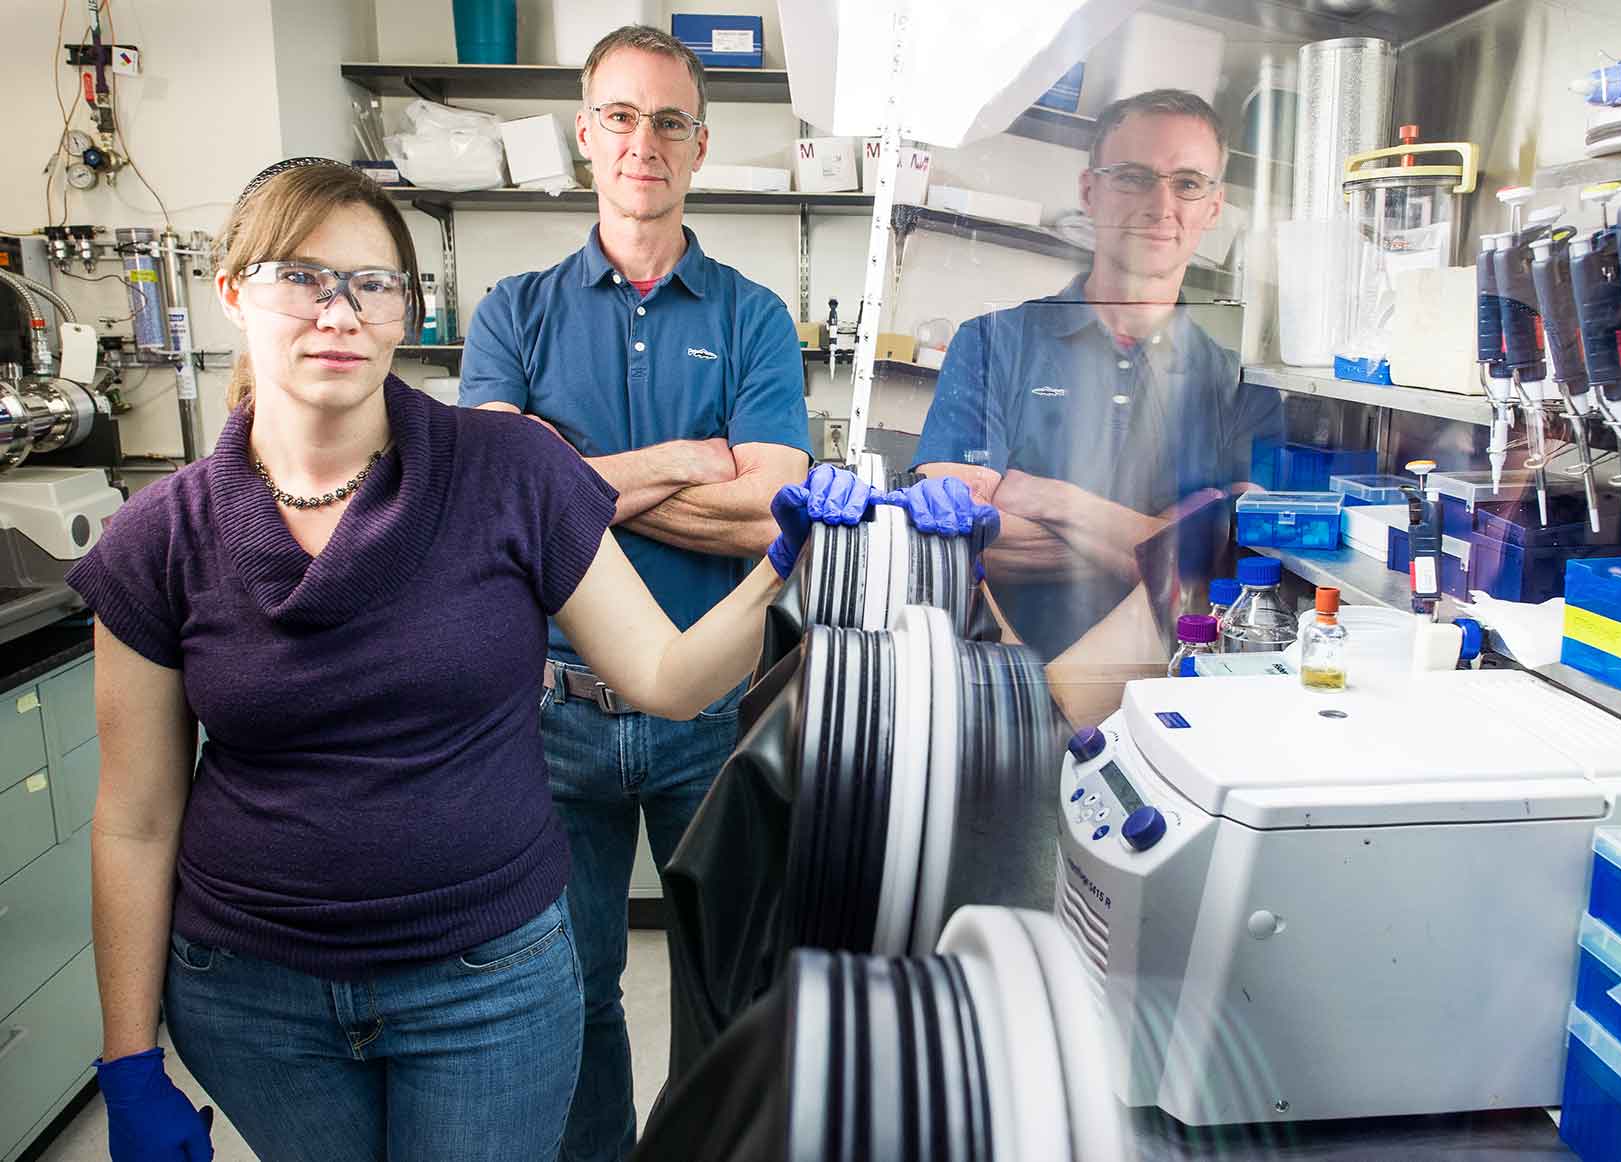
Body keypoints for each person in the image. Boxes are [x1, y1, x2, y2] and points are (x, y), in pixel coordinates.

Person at [69, 156, 994, 1162]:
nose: (338, 313)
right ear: (232, 290)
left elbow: (670, 678)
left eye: (372, 284)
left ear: (405, 311)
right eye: (302, 276)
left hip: (485, 987)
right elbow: (135, 817)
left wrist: (788, 560)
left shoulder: (505, 473)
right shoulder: (159, 537)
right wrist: (128, 1053)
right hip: (252, 994)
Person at [457, 27, 813, 1161]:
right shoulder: (514, 311)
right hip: (551, 709)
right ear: (584, 134)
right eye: (620, 115)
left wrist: (566, 473)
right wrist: (686, 458)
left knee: (734, 984)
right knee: (574, 991)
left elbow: (771, 510)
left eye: (668, 120)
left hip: (711, 706)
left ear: (700, 146)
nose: (642, 141)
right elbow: (490, 501)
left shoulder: (751, 313)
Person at [912, 89, 1284, 664]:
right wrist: (1157, 539)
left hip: (1166, 696)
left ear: (1214, 207)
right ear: (1090, 191)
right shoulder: (992, 343)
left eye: (1188, 183)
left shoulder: (1241, 388)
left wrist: (1048, 497)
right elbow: (953, 534)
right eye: (1133, 177)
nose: (1161, 205)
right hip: (992, 681)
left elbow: (1222, 568)